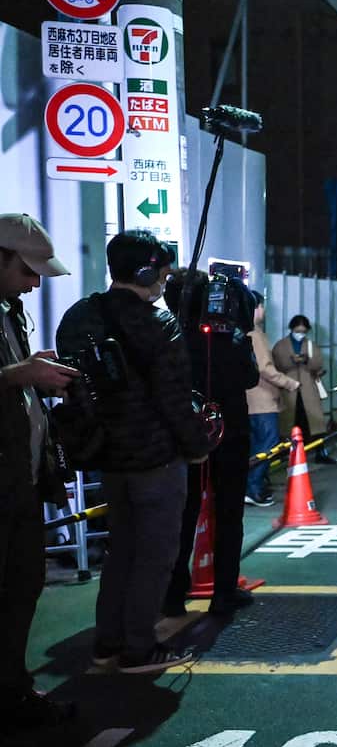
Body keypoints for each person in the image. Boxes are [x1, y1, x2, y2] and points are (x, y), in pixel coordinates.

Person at [56, 230, 210, 672]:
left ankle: (107, 642)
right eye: (161, 272)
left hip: (107, 456)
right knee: (155, 554)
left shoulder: (80, 316)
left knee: (121, 550)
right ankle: (140, 647)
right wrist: (197, 449)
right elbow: (175, 399)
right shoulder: (160, 324)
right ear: (146, 271)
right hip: (156, 458)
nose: (165, 280)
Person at [0, 214, 79, 725]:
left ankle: (12, 694)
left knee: (22, 588)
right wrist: (22, 373)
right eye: (28, 271)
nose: (34, 284)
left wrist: (35, 368)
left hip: (21, 480)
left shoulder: (11, 312)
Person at [162, 269, 259, 619]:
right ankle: (222, 594)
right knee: (229, 515)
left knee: (182, 515)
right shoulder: (231, 338)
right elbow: (250, 377)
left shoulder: (169, 335)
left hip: (185, 436)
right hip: (230, 434)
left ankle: (173, 595)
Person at [245, 292, 300, 507]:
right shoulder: (255, 334)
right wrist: (289, 383)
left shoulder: (242, 331)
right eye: (262, 306)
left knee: (255, 446)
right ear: (256, 307)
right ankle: (254, 488)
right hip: (262, 400)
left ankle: (252, 486)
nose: (264, 311)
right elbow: (265, 369)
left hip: (251, 399)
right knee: (266, 446)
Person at [274, 315, 334, 464]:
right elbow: (278, 365)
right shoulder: (281, 345)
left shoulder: (310, 345)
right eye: (297, 330)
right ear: (292, 329)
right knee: (290, 422)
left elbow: (318, 364)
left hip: (308, 388)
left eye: (303, 331)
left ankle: (320, 451)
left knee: (315, 421)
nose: (300, 334)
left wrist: (306, 360)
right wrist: (291, 361)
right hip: (289, 389)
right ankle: (287, 453)